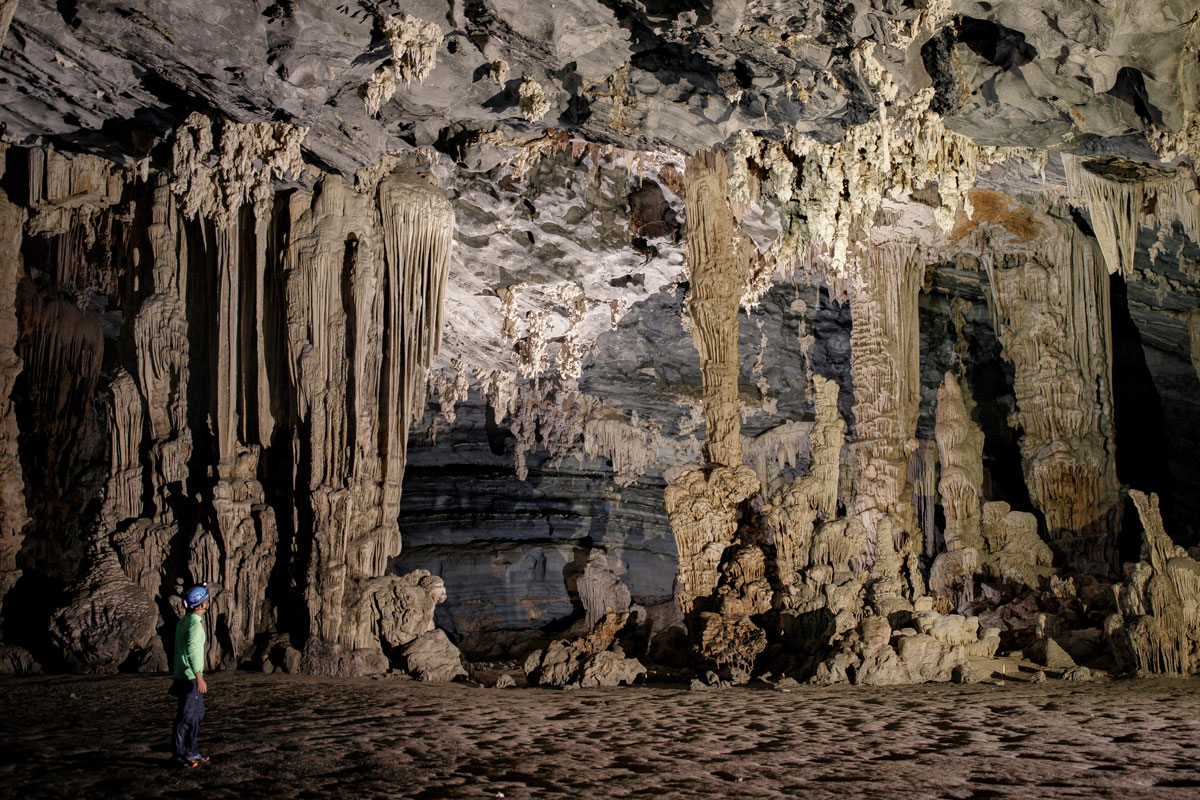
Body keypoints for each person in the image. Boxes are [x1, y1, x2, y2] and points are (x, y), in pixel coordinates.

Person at [170, 583, 211, 768]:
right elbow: (193, 651)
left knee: (196, 714)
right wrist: (199, 677)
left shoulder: (184, 621)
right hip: (189, 677)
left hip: (183, 675)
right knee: (187, 717)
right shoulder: (194, 626)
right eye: (206, 600)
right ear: (201, 605)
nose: (208, 603)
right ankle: (180, 755)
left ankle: (191, 751)